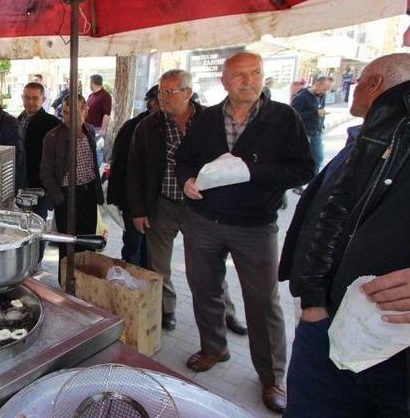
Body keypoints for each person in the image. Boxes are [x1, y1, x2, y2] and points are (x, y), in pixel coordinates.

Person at [176, 51, 315, 414]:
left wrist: (253, 169)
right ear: (224, 81)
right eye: (239, 75)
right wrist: (187, 180)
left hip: (255, 224)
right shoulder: (205, 118)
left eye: (255, 73)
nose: (248, 80)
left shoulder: (283, 118)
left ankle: (272, 377)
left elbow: (303, 169)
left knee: (263, 301)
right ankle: (213, 347)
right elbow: (184, 159)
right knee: (204, 288)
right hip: (204, 219)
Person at [286, 53, 410, 417]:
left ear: (372, 84)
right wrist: (313, 300)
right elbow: (334, 212)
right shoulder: (388, 119)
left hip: (397, 355)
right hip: (328, 325)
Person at [127, 70, 244, 334]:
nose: (164, 98)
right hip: (162, 204)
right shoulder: (148, 126)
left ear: (188, 92)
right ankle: (167, 309)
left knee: (210, 264)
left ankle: (225, 312)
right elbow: (134, 171)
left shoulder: (211, 120)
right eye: (161, 92)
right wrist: (138, 210)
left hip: (202, 206)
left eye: (170, 92)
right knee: (159, 264)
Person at [40, 94, 103, 280]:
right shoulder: (53, 137)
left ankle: (86, 282)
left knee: (87, 242)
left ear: (85, 111)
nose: (69, 117)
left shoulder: (90, 131)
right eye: (65, 112)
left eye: (74, 112)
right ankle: (66, 284)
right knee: (68, 245)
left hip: (87, 194)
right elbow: (45, 172)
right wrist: (59, 198)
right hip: (66, 197)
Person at [106, 85, 159, 268]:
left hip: (158, 203)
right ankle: (131, 284)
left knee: (152, 250)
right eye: (158, 101)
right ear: (150, 104)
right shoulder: (133, 127)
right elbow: (120, 165)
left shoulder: (171, 126)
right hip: (133, 200)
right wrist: (119, 199)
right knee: (133, 245)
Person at [17, 82, 60, 247]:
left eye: (35, 98)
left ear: (43, 99)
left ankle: (36, 262)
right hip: (20, 184)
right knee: (22, 228)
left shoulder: (52, 124)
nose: (30, 101)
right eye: (27, 97)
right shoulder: (18, 120)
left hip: (40, 186)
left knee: (37, 227)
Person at [291, 75, 333, 180]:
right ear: (316, 84)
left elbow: (319, 110)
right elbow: (293, 115)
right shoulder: (302, 97)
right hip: (304, 133)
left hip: (317, 132)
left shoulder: (321, 96)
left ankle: (312, 182)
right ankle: (298, 183)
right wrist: (315, 113)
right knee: (301, 160)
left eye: (327, 90)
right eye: (324, 89)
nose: (325, 92)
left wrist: (321, 121)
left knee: (318, 158)